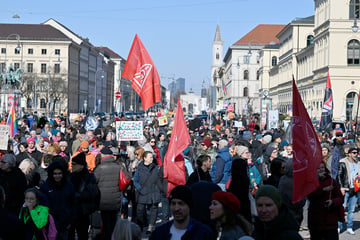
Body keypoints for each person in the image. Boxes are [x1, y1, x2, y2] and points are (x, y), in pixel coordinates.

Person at [150, 185, 215, 240]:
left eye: (181, 204)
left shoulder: (204, 233)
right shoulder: (159, 233)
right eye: (173, 203)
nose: (176, 208)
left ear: (189, 206)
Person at [40, 160, 76, 240]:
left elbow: (73, 204)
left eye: (59, 173)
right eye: (55, 174)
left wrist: (71, 221)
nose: (57, 176)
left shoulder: (69, 186)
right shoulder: (45, 187)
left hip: (66, 223)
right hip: (50, 223)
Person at [308, 162, 344, 240]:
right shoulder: (311, 182)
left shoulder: (331, 181)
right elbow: (310, 196)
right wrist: (323, 189)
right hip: (316, 220)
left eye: (322, 168)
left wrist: (332, 202)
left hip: (330, 220)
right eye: (318, 168)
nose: (321, 170)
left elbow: (340, 198)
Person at [69, 152, 100, 240]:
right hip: (72, 211)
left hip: (83, 211)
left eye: (74, 164)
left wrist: (78, 195)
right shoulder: (70, 176)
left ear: (81, 165)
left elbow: (93, 193)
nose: (72, 166)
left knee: (83, 235)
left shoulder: (89, 177)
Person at [94, 147, 122, 240]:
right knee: (113, 221)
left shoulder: (99, 168)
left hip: (103, 200)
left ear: (102, 156)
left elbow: (94, 181)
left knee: (105, 223)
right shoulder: (119, 166)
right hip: (116, 198)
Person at [133, 151, 161, 234]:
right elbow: (135, 180)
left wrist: (159, 188)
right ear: (145, 158)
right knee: (140, 210)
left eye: (152, 157)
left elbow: (159, 179)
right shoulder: (139, 168)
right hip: (143, 192)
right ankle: (141, 224)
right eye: (150, 157)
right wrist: (140, 189)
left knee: (154, 208)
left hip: (153, 191)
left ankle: (151, 226)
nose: (151, 159)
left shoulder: (156, 168)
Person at [337, 146, 360, 235]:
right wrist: (341, 187)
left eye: (356, 153)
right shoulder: (343, 162)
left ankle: (349, 227)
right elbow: (339, 176)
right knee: (341, 208)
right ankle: (339, 226)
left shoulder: (358, 163)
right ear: (349, 154)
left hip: (355, 189)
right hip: (345, 188)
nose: (356, 154)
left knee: (351, 210)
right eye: (354, 153)